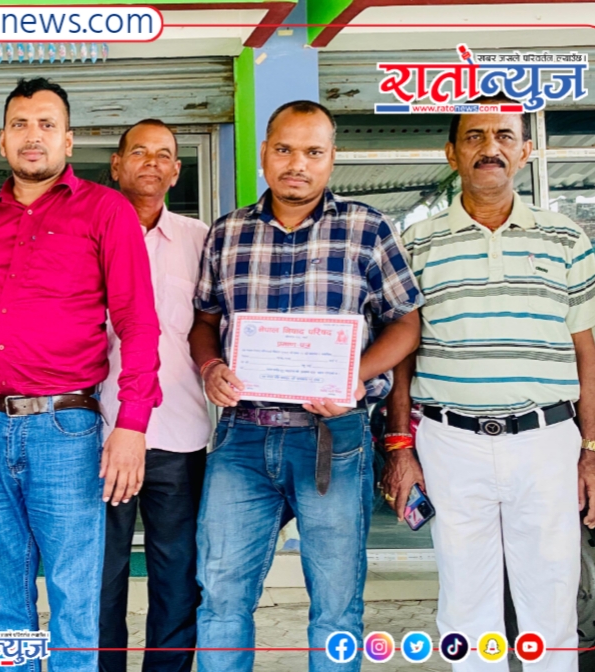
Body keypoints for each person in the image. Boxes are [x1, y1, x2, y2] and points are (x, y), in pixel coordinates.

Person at [382, 97, 595, 672]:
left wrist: (594, 453)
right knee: (465, 606)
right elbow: (401, 358)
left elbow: (586, 354)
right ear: (452, 153)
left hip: (546, 441)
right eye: (475, 136)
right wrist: (400, 448)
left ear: (525, 151)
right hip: (450, 442)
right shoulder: (417, 243)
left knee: (551, 601)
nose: (490, 148)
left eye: (505, 136)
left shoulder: (565, 238)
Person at [190, 100, 422, 672]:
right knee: (221, 596)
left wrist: (352, 376)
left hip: (333, 438)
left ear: (331, 158)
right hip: (242, 438)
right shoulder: (228, 232)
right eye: (285, 149)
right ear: (264, 153)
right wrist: (210, 367)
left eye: (313, 152)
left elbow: (406, 323)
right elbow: (204, 319)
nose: (298, 164)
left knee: (336, 606)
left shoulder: (368, 228)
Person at [0, 78, 161, 672]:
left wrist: (132, 425)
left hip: (64, 428)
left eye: (46, 124)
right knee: (2, 591)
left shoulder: (106, 210)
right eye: (20, 124)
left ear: (68, 140)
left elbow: (138, 324)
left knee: (73, 593)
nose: (32, 136)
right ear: (2, 140)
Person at [99, 120, 212, 672]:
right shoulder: (87, 234)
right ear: (116, 165)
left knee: (177, 576)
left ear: (176, 171)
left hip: (180, 433)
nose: (151, 162)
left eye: (163, 154)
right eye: (138, 152)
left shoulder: (201, 239)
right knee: (101, 576)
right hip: (101, 432)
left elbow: (215, 324)